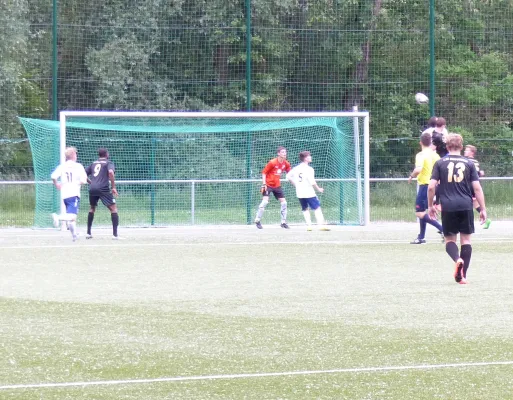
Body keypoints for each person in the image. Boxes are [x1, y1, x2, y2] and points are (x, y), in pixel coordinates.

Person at [428, 133, 487, 284]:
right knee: (466, 240)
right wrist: (483, 209)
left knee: (449, 240)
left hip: (448, 206)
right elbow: (477, 188)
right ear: (461, 146)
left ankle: (457, 259)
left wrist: (430, 206)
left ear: (447, 146)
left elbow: (431, 187)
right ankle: (463, 276)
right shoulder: (469, 163)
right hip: (466, 205)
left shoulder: (440, 163)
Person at [408, 132, 444, 244]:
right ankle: (421, 237)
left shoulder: (421, 155)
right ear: (430, 143)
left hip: (425, 186)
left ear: (420, 142)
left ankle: (443, 229)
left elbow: (418, 169)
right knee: (423, 211)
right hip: (435, 186)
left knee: (419, 213)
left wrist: (411, 176)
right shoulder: (435, 155)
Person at [50, 147, 88, 241]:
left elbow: (53, 176)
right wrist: (79, 182)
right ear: (73, 155)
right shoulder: (78, 166)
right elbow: (84, 180)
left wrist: (57, 185)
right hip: (74, 193)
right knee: (72, 216)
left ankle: (74, 235)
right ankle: (58, 217)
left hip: (65, 194)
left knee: (71, 217)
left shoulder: (62, 166)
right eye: (76, 154)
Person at [286, 151, 330, 231]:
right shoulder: (309, 169)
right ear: (305, 158)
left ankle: (309, 226)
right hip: (308, 192)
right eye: (309, 156)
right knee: (317, 207)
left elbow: (288, 176)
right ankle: (321, 225)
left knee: (305, 208)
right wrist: (318, 189)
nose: (310, 157)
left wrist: (296, 185)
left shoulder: (296, 168)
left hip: (299, 192)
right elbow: (312, 181)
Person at [85, 148, 120, 239]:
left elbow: (83, 174)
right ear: (106, 154)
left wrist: (91, 182)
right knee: (113, 208)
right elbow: (111, 173)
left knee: (92, 208)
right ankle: (115, 235)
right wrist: (113, 187)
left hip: (92, 188)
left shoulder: (93, 163)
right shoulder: (109, 163)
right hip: (103, 188)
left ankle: (88, 233)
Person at [254, 146, 291, 229]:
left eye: (285, 152)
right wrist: (264, 184)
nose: (285, 153)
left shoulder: (286, 163)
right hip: (268, 185)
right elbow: (264, 173)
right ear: (278, 153)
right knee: (265, 202)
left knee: (284, 203)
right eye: (282, 152)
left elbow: (290, 173)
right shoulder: (272, 162)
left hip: (277, 185)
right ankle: (257, 220)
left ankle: (283, 222)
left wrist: (294, 179)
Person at [464, 144, 491, 229]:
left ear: (472, 152)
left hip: (469, 186)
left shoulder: (468, 161)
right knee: (475, 205)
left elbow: (474, 173)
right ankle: (487, 219)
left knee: (467, 204)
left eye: (467, 150)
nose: (465, 151)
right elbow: (477, 173)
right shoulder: (474, 161)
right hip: (472, 186)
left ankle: (466, 223)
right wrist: (480, 173)